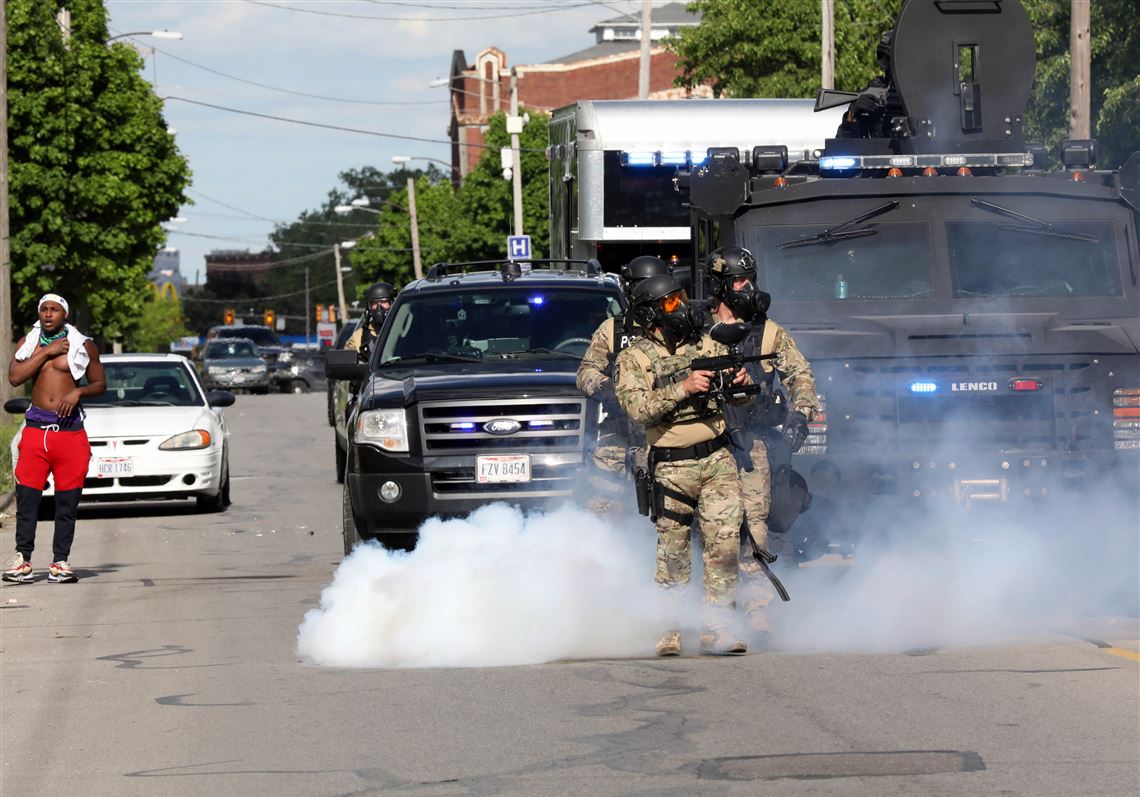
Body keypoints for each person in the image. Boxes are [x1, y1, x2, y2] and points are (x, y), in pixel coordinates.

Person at [614, 273, 753, 656]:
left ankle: (719, 627)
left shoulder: (706, 342)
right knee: (673, 554)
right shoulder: (634, 358)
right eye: (673, 303)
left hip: (717, 459)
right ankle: (670, 630)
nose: (683, 308)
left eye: (683, 298)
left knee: (724, 548)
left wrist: (739, 383)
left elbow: (738, 397)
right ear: (652, 313)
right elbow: (638, 409)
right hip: (672, 469)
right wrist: (682, 388)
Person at [704, 246, 820, 643]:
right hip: (708, 444)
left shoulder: (769, 332)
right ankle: (713, 613)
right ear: (720, 286)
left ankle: (757, 610)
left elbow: (800, 375)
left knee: (756, 530)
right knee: (716, 532)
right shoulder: (696, 328)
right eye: (738, 280)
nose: (746, 287)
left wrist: (799, 416)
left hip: (754, 447)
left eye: (749, 278)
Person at [3, 294, 105, 584]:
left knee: (66, 502)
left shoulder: (82, 345)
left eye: (54, 310)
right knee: (28, 499)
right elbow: (15, 377)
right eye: (44, 310)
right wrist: (46, 353)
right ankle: (23, 559)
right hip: (36, 430)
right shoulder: (29, 343)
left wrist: (78, 392)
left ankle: (60, 562)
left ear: (65, 315)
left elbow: (100, 383)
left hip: (70, 434)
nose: (48, 314)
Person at [576, 256, 671, 514]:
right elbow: (585, 372)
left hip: (663, 436)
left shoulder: (674, 327)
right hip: (616, 437)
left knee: (667, 508)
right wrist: (609, 386)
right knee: (602, 507)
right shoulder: (613, 330)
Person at [345, 281, 397, 361]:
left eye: (383, 302)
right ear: (369, 306)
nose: (379, 308)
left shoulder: (404, 332)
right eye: (374, 303)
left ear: (392, 303)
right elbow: (347, 365)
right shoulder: (359, 337)